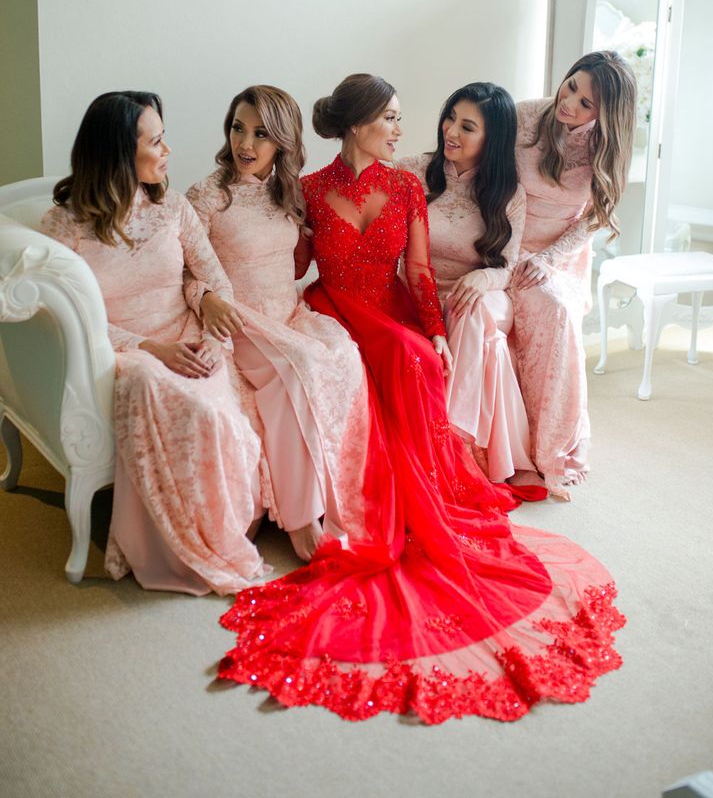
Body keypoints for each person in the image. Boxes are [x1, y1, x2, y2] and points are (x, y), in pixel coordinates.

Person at [217, 73, 625, 724]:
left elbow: (420, 272)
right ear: (359, 126)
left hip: (391, 306)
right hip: (332, 305)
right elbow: (294, 266)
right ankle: (337, 502)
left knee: (413, 359)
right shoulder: (312, 188)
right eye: (393, 119)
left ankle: (412, 487)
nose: (407, 131)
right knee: (354, 359)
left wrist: (434, 332)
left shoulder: (406, 185)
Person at [41, 91, 266, 595]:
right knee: (165, 392)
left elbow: (216, 280)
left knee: (216, 406)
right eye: (157, 140)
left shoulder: (174, 207)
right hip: (121, 350)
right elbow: (68, 321)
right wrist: (146, 347)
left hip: (186, 333)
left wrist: (211, 335)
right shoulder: (65, 225)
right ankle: (173, 546)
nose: (168, 151)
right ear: (120, 152)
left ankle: (220, 531)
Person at [186, 85, 369, 563]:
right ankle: (300, 518)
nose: (245, 144)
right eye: (238, 128)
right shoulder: (207, 195)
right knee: (299, 367)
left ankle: (336, 502)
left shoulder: (289, 192)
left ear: (283, 141)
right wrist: (204, 298)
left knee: (346, 354)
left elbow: (293, 265)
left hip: (286, 311)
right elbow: (180, 270)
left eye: (261, 134)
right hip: (240, 317)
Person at [510, 51, 636, 499]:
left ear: (604, 115)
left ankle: (550, 447)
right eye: (571, 86)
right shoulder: (526, 115)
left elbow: (591, 221)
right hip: (505, 239)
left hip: (557, 254)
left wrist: (548, 259)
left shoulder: (606, 147)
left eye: (586, 103)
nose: (570, 103)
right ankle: (506, 446)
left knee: (554, 312)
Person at [399, 82, 536, 484]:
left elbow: (507, 266)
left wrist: (483, 276)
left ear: (492, 139)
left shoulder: (509, 194)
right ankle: (453, 444)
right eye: (450, 117)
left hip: (482, 293)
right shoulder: (410, 170)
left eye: (468, 127)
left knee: (471, 308)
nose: (451, 132)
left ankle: (450, 438)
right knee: (468, 318)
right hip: (418, 291)